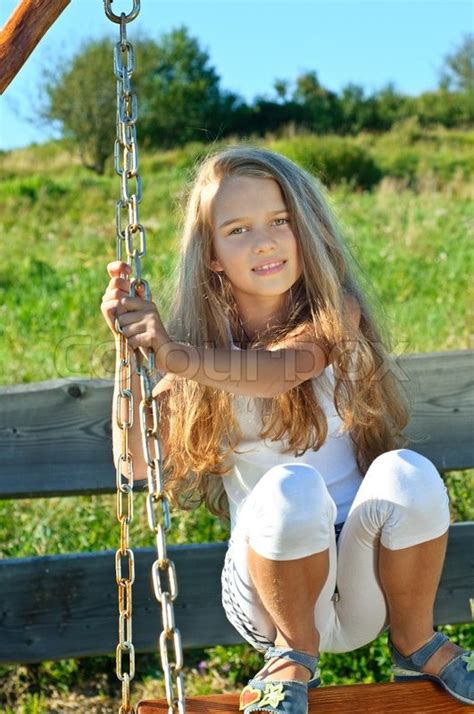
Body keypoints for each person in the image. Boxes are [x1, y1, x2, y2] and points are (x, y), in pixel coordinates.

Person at [101, 146, 473, 712]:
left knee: (408, 472)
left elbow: (279, 373)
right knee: (290, 488)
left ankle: (415, 641)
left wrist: (175, 355)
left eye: (280, 221)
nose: (266, 241)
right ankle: (292, 656)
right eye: (238, 229)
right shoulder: (198, 349)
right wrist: (133, 350)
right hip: (268, 594)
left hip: (363, 576)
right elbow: (134, 462)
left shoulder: (334, 316)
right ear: (212, 257)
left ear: (307, 229)